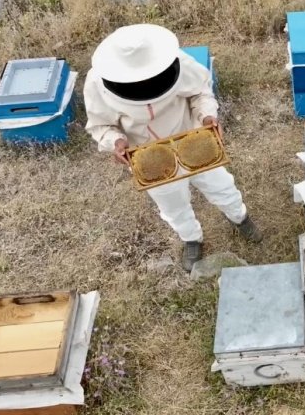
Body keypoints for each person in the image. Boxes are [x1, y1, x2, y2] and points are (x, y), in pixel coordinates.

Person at [84, 24, 262, 270]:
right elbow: (99, 125)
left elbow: (200, 91)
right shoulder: (97, 82)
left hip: (192, 138)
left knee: (221, 186)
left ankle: (240, 218)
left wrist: (207, 116)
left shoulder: (176, 61)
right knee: (172, 204)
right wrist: (115, 142)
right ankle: (191, 239)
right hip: (147, 156)